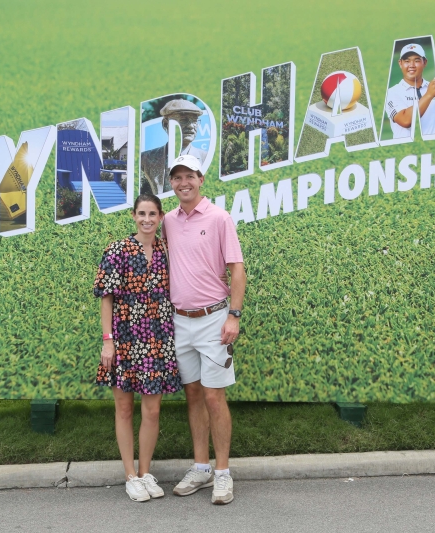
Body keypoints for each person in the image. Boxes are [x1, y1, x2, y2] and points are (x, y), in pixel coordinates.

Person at [162, 154, 246, 505]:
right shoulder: (168, 220)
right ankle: (201, 468)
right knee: (194, 395)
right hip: (180, 320)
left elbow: (237, 269)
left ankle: (223, 473)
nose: (184, 183)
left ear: (201, 179)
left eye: (190, 176)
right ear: (172, 183)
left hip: (214, 319)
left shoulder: (219, 218)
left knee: (214, 396)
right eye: (177, 177)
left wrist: (234, 316)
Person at [94, 193, 183, 502]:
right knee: (123, 408)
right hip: (124, 338)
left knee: (152, 410)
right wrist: (108, 341)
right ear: (133, 215)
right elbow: (106, 297)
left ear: (160, 217)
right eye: (142, 213)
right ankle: (130, 475)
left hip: (158, 338)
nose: (147, 219)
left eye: (152, 214)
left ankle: (145, 473)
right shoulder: (117, 249)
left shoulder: (167, 250)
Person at [141, 99, 209, 195]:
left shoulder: (206, 158)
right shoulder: (145, 158)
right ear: (165, 124)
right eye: (184, 120)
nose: (190, 126)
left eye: (194, 121)